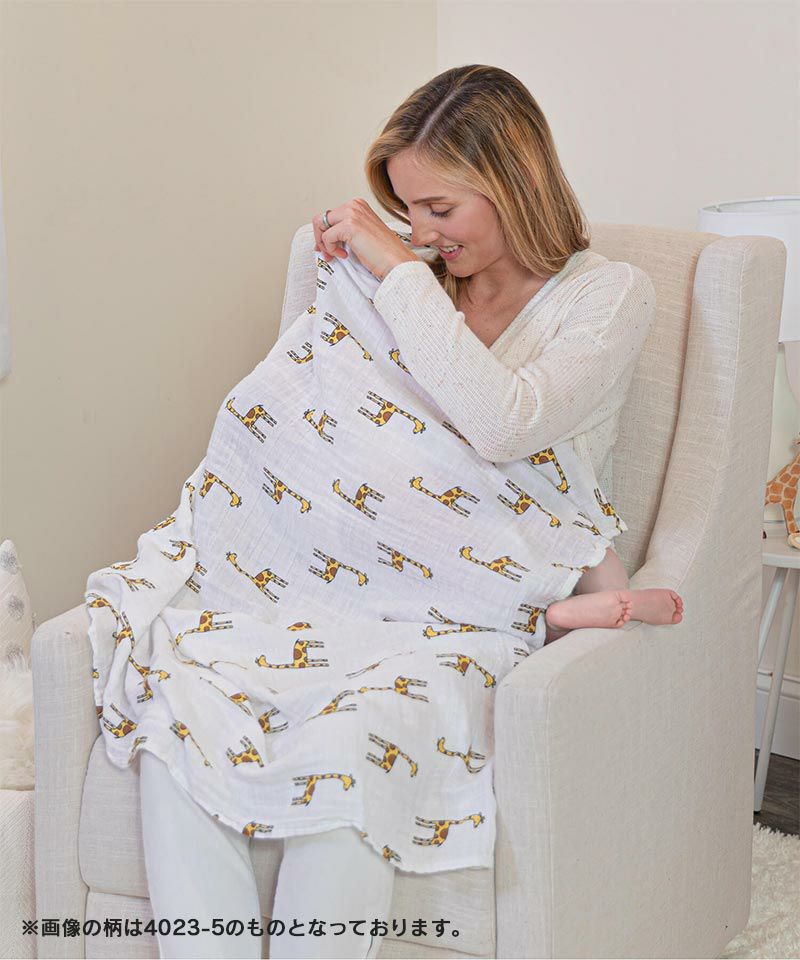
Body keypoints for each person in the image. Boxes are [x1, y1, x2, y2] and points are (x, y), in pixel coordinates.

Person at [140, 63, 682, 959]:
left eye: (441, 208)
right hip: (339, 583)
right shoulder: (388, 281)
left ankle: (546, 615)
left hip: (466, 606)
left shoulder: (606, 295)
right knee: (185, 703)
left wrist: (397, 271)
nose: (422, 232)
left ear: (516, 182)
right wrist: (373, 275)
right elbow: (307, 429)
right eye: (405, 208)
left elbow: (506, 425)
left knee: (353, 739)